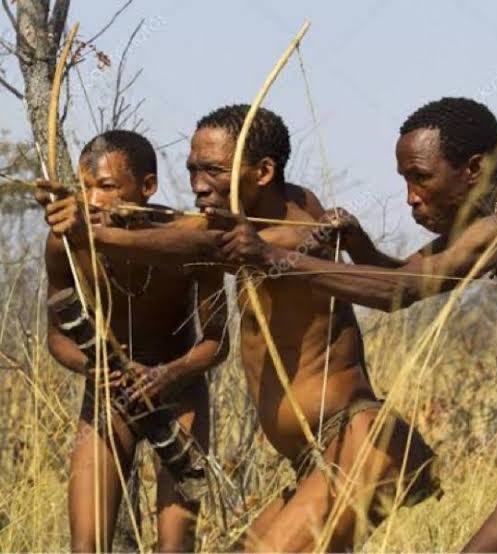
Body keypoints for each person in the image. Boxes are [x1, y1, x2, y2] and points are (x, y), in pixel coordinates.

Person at [43, 105, 440, 552]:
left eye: (213, 170)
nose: (197, 185)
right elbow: (195, 235)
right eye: (193, 170)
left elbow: (203, 246)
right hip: (317, 460)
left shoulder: (297, 230)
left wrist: (94, 234)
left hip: (361, 445)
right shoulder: (254, 225)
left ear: (264, 172)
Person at [220, 97, 497, 552]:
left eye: (421, 177)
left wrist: (272, 256)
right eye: (405, 180)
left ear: (473, 169)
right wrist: (358, 245)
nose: (411, 196)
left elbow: (403, 290)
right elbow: (404, 278)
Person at [38, 130, 228, 552]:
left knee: (175, 547)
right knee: (86, 545)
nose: (93, 200)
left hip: (179, 394)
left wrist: (168, 374)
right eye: (85, 187)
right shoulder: (67, 242)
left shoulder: (190, 237)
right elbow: (56, 337)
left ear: (148, 186)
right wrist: (94, 368)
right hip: (109, 394)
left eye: (107, 187)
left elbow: (217, 341)